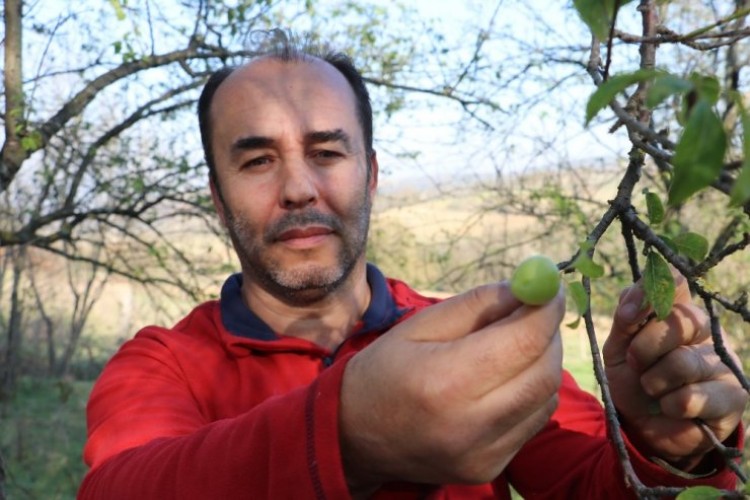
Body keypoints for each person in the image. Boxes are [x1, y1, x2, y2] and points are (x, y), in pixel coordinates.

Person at [78, 32, 747, 499]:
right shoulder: (161, 364)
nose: (299, 188)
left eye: (327, 152)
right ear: (218, 200)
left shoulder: (467, 342)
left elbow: (592, 484)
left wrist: (663, 446)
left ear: (370, 175)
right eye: (257, 161)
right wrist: (345, 438)